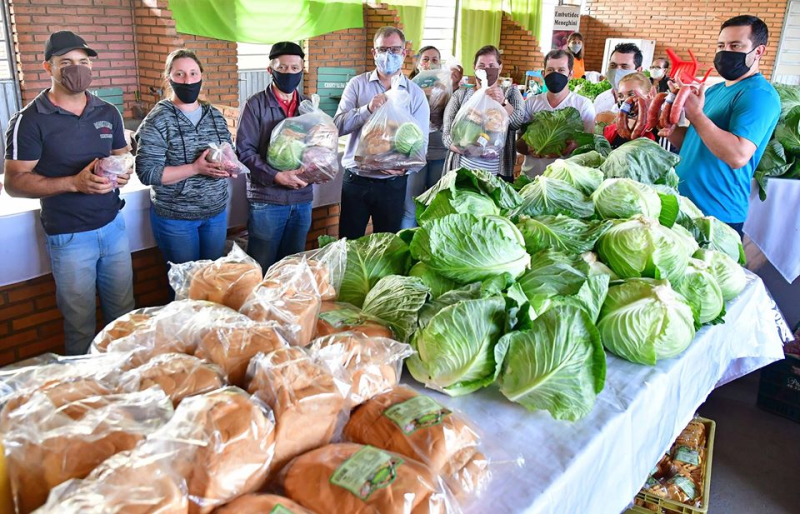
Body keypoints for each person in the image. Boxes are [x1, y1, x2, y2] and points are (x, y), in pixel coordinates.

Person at [3, 31, 134, 355]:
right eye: (66, 62)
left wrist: (124, 172)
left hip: (113, 226)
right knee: (80, 324)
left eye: (83, 62)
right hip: (70, 236)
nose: (77, 69)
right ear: (49, 67)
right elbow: (14, 182)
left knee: (124, 318)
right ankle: (83, 395)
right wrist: (72, 183)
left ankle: (127, 388)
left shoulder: (107, 112)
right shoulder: (29, 120)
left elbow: (121, 156)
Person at [670, 15, 780, 236]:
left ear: (758, 51)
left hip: (716, 215)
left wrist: (696, 115)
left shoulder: (759, 95)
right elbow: (698, 142)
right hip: (684, 206)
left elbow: (737, 155)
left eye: (736, 45)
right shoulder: (713, 91)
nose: (725, 52)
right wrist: (673, 132)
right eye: (721, 45)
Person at [135, 49, 233, 270]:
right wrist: (196, 168)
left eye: (193, 73)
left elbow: (228, 150)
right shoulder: (158, 119)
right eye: (179, 74)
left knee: (211, 281)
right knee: (185, 289)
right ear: (168, 77)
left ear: (201, 77)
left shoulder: (215, 115)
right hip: (177, 219)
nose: (187, 80)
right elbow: (148, 172)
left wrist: (230, 165)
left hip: (215, 214)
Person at [334, 26, 430, 239]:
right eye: (383, 49)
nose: (389, 55)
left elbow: (421, 146)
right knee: (349, 243)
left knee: (387, 246)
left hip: (392, 184)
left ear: (404, 53)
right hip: (356, 180)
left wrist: (403, 170)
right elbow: (338, 126)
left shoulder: (415, 94)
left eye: (395, 50)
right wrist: (366, 109)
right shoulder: (357, 85)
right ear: (374, 53)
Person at [236, 42, 312, 270]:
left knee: (292, 267)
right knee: (262, 265)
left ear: (302, 70)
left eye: (295, 68)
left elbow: (318, 147)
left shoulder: (308, 106)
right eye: (283, 68)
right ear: (271, 70)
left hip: (301, 198)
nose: (289, 73)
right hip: (267, 199)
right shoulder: (255, 105)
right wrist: (276, 176)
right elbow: (244, 151)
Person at [441, 45, 524, 182]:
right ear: (474, 67)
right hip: (461, 172)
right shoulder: (461, 95)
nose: (486, 69)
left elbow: (516, 124)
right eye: (482, 65)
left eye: (491, 65)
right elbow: (446, 135)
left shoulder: (511, 93)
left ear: (500, 67)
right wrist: (469, 150)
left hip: (496, 176)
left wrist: (503, 102)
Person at [402, 45, 457, 228]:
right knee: (410, 207)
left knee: (434, 207)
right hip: (415, 154)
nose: (430, 63)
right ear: (418, 63)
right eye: (426, 59)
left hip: (440, 153)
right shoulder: (407, 87)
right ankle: (404, 247)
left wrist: (452, 87)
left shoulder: (446, 87)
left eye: (435, 60)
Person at [517, 49, 595, 176]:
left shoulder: (583, 105)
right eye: (551, 70)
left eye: (561, 70)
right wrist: (528, 147)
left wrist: (575, 145)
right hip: (530, 177)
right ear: (543, 73)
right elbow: (519, 142)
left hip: (564, 181)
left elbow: (590, 143)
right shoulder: (531, 103)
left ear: (570, 74)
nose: (555, 74)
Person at [603, 73, 657, 149]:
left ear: (648, 96)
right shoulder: (609, 130)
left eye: (631, 94)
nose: (625, 100)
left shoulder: (658, 130)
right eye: (620, 96)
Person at [594, 43, 643, 121]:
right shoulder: (601, 98)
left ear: (638, 71)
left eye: (624, 67)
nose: (617, 70)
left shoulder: (644, 103)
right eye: (613, 65)